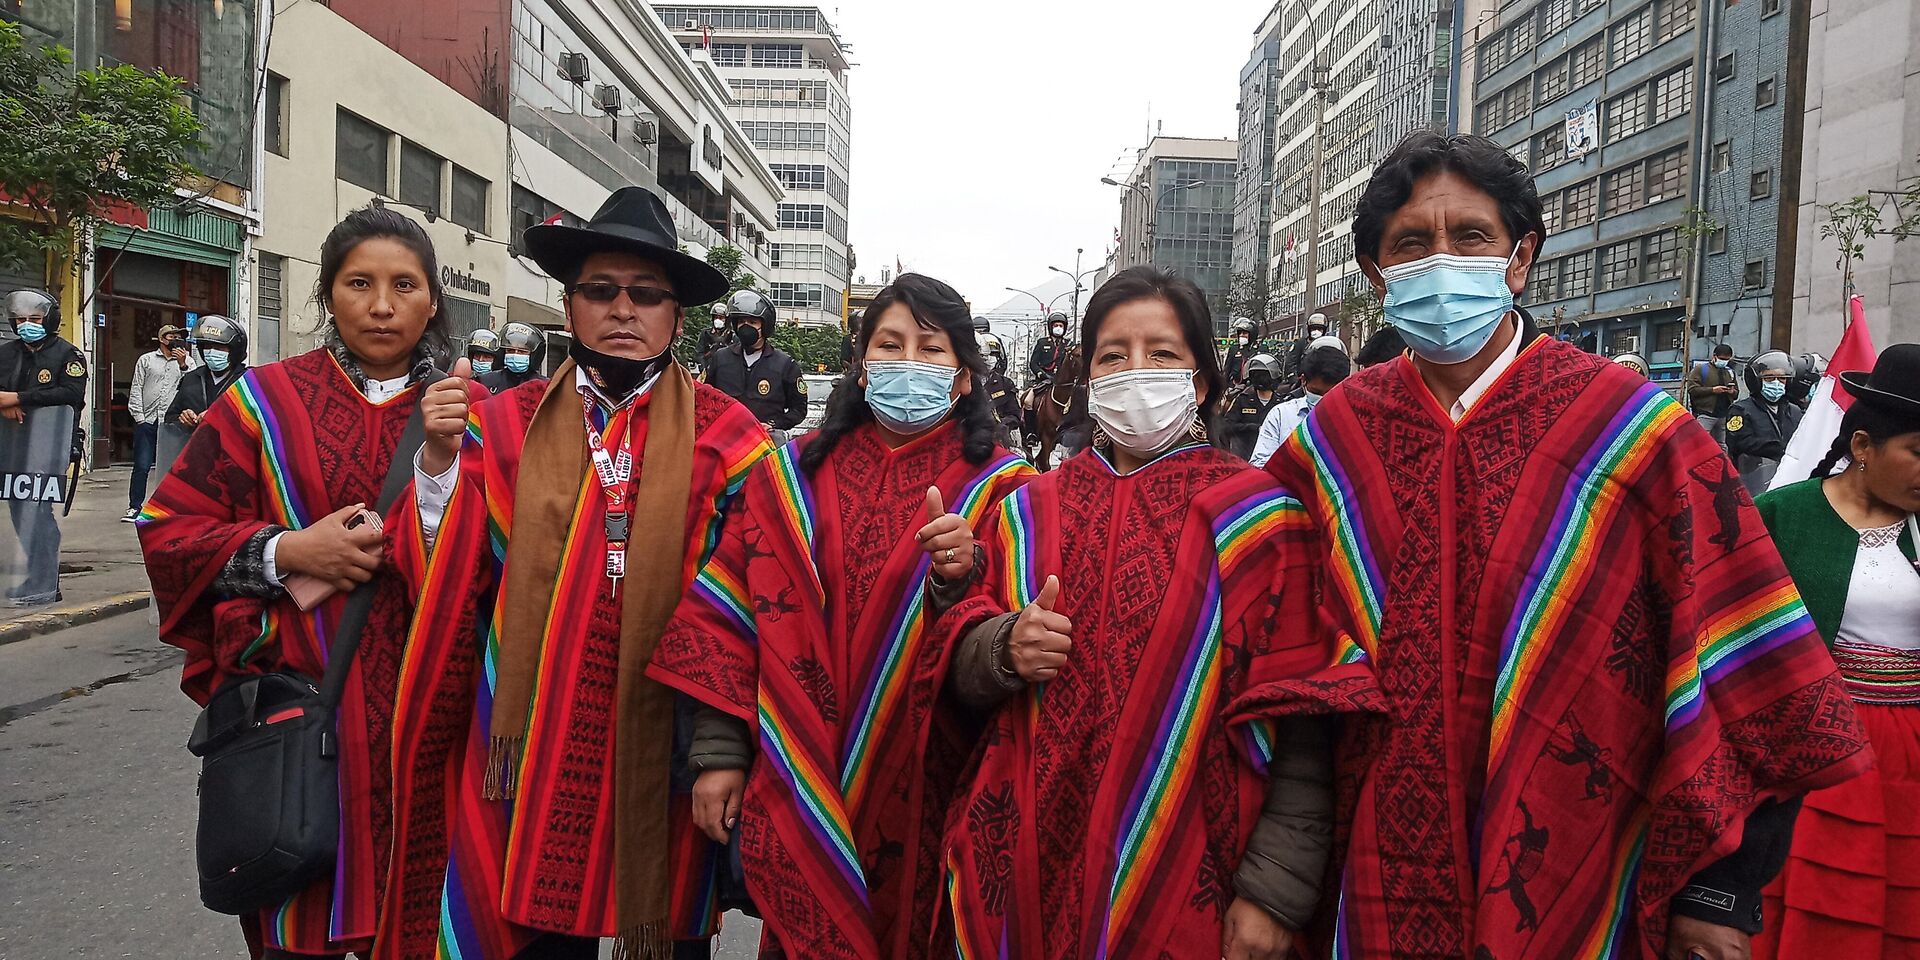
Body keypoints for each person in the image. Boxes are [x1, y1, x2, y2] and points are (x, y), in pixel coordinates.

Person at [1262, 131, 1871, 958]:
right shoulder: (1333, 441)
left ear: (1521, 257)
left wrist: (1720, 890)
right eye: (1411, 244)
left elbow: (1747, 661)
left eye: (1470, 236)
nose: (1441, 260)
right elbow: (1278, 657)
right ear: (1377, 275)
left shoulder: (1633, 431)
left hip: (1583, 851)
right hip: (1371, 861)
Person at [938, 266, 1352, 959]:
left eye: (1161, 355)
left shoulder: (1262, 519)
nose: (1136, 372)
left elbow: (1304, 720)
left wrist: (1276, 890)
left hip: (1201, 874)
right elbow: (956, 676)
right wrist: (1002, 648)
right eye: (1112, 356)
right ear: (1089, 379)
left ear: (1198, 382)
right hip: (1021, 867)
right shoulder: (1025, 512)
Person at [409, 186, 774, 960]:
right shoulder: (498, 424)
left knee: (666, 937)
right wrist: (436, 472)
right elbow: (443, 582)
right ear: (569, 306)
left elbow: (748, 611)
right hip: (528, 743)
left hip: (668, 745)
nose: (623, 309)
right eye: (600, 290)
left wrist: (725, 751)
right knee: (533, 933)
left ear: (677, 316)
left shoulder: (732, 438)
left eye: (647, 294)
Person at [649, 273, 1034, 958]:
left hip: (934, 795)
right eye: (890, 345)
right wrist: (717, 758)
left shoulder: (1012, 494)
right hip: (801, 775)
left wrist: (965, 582)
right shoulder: (790, 476)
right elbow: (729, 621)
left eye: (931, 348)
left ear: (966, 376)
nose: (908, 362)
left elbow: (1019, 661)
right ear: (860, 364)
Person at [137, 206, 484, 958]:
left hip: (434, 724)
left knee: (427, 923)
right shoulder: (261, 404)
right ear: (328, 295)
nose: (383, 305)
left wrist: (442, 475)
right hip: (302, 713)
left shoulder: (475, 416)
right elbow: (169, 530)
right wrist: (287, 550)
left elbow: (516, 566)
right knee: (301, 916)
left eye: (405, 285)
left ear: (433, 302)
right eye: (359, 283)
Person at [1749, 343, 1920, 960]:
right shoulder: (1781, 516)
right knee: (1821, 910)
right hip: (1820, 751)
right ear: (1864, 446)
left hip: (1911, 757)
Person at [0, 289, 86, 607]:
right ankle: (34, 574)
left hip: (49, 444)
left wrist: (20, 398)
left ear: (48, 320)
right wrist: (4, 402)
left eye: (34, 319)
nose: (26, 325)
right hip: (12, 444)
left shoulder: (68, 355)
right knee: (18, 506)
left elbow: (71, 393)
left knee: (38, 509)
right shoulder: (8, 353)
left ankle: (44, 578)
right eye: (20, 319)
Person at [703, 289, 806, 443]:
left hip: (766, 442)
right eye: (742, 322)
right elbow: (704, 398)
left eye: (752, 322)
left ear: (765, 325)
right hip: (723, 441)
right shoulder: (721, 358)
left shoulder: (785, 364)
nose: (746, 326)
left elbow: (799, 409)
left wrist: (773, 425)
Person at [159, 314, 249, 475]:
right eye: (207, 346)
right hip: (196, 466)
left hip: (235, 467)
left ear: (234, 351)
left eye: (219, 348)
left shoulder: (249, 381)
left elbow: (263, 421)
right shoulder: (191, 379)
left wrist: (220, 416)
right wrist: (182, 418)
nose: (212, 352)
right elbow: (170, 419)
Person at [126, 323, 194, 520]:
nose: (175, 340)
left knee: (171, 466)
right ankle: (134, 506)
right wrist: (139, 417)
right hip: (147, 419)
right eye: (171, 336)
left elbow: (191, 387)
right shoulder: (146, 360)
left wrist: (182, 365)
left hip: (172, 421)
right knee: (142, 465)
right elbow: (137, 387)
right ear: (163, 339)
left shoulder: (188, 362)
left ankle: (168, 508)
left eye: (178, 337)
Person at [1249, 344, 1349, 468]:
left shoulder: (1354, 419)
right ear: (1303, 380)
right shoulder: (1281, 415)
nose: (1323, 401)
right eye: (1317, 392)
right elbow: (1259, 464)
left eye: (1330, 395)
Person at [1726, 350, 1806, 495]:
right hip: (1753, 480)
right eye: (1769, 378)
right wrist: (1777, 448)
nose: (1776, 383)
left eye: (1781, 378)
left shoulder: (1795, 411)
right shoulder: (1740, 410)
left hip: (1790, 480)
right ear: (1756, 380)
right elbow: (1739, 442)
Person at [1220, 352, 1285, 460]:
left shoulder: (1281, 404)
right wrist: (1252, 428)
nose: (1260, 379)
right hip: (1244, 457)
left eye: (1264, 375)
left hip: (1271, 459)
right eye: (1257, 375)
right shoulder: (1243, 400)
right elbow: (1226, 426)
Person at [1689, 342, 1741, 448]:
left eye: (1727, 360)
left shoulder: (1730, 372)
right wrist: (1712, 390)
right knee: (1701, 443)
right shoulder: (1701, 370)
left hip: (1724, 414)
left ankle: (1723, 464)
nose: (1724, 362)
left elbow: (1736, 393)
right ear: (1714, 356)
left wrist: (1732, 392)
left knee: (1722, 445)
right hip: (1705, 413)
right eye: (1722, 358)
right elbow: (1692, 389)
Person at [978, 331, 1023, 447]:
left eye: (994, 354)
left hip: (1001, 436)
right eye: (984, 355)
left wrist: (1002, 424)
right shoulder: (965, 382)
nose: (989, 359)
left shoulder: (1006, 384)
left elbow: (1015, 415)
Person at [477, 320, 547, 393]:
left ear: (533, 356)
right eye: (510, 350)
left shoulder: (544, 386)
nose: (515, 355)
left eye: (522, 351)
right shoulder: (486, 381)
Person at [1282, 313, 1329, 383]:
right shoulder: (1300, 344)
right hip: (1302, 381)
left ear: (1324, 330)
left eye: (1319, 329)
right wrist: (1295, 379)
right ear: (1309, 329)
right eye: (1313, 328)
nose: (1316, 331)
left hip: (1324, 382)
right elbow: (1290, 363)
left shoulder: (1329, 345)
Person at [1027, 311, 1070, 385]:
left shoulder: (1069, 344)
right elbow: (1033, 363)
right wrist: (1042, 375)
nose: (1058, 328)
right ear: (1051, 327)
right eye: (1056, 325)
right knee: (1030, 395)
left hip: (1063, 383)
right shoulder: (1042, 342)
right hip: (1043, 381)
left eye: (1061, 326)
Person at [1224, 316, 1258, 385]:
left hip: (1253, 387)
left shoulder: (1259, 349)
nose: (1241, 335)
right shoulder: (1234, 348)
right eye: (1240, 333)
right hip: (1235, 386)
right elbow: (1227, 369)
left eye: (1244, 333)